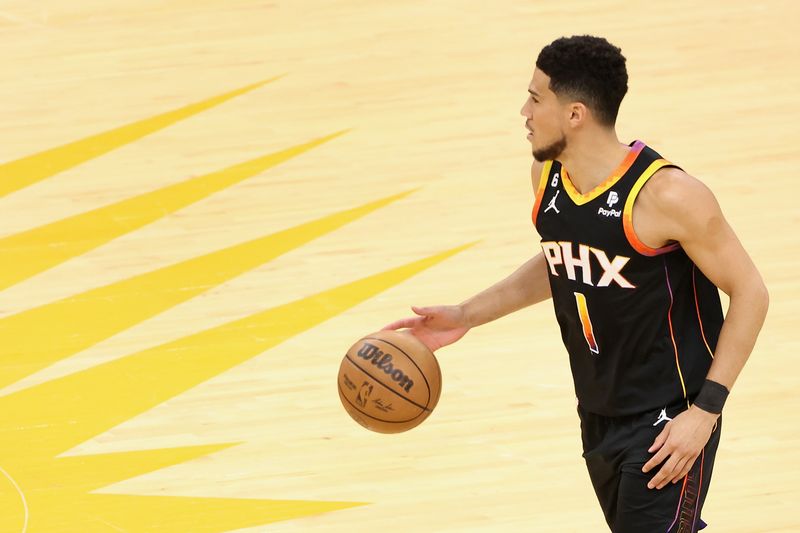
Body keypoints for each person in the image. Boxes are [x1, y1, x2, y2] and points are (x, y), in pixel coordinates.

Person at [383, 35, 768, 532]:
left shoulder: (667, 195)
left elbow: (751, 293)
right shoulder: (548, 176)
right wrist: (466, 315)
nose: (524, 111)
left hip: (671, 416)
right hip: (598, 412)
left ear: (575, 114)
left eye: (536, 97)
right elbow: (561, 260)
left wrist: (704, 413)